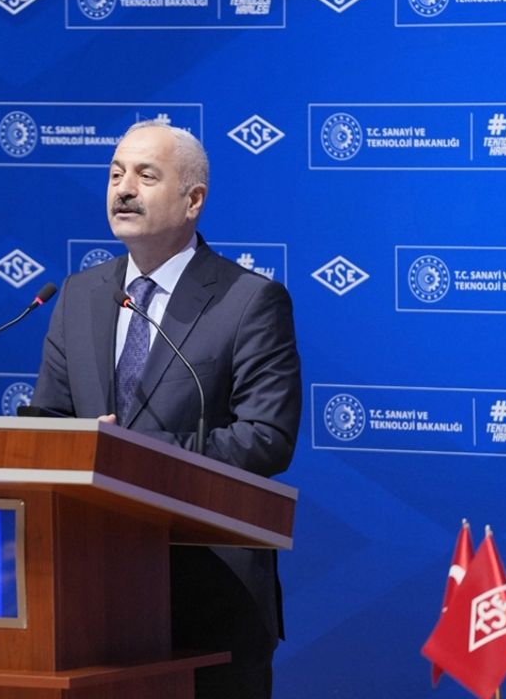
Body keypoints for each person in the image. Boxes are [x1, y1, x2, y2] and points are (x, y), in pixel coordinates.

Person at [30, 119, 302, 699]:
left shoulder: (249, 301)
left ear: (193, 200)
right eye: (115, 175)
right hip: (89, 593)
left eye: (145, 176)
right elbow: (49, 425)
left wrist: (129, 454)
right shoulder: (79, 295)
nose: (124, 189)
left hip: (209, 595)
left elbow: (265, 438)